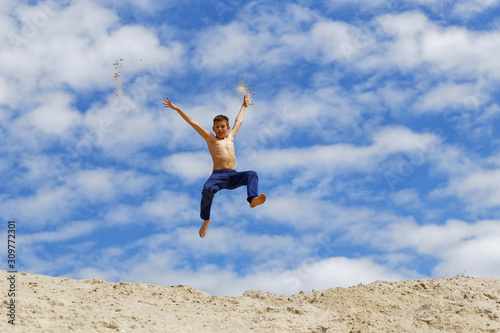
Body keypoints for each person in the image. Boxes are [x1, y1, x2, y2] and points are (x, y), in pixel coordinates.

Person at [162, 94, 266, 238]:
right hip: (218, 176)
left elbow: (239, 121)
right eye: (217, 127)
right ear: (213, 128)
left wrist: (244, 106)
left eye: (223, 127)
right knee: (207, 189)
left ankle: (252, 199)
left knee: (252, 174)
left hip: (233, 175)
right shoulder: (210, 139)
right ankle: (206, 220)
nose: (220, 129)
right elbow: (193, 123)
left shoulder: (230, 137)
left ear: (227, 127)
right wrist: (177, 109)